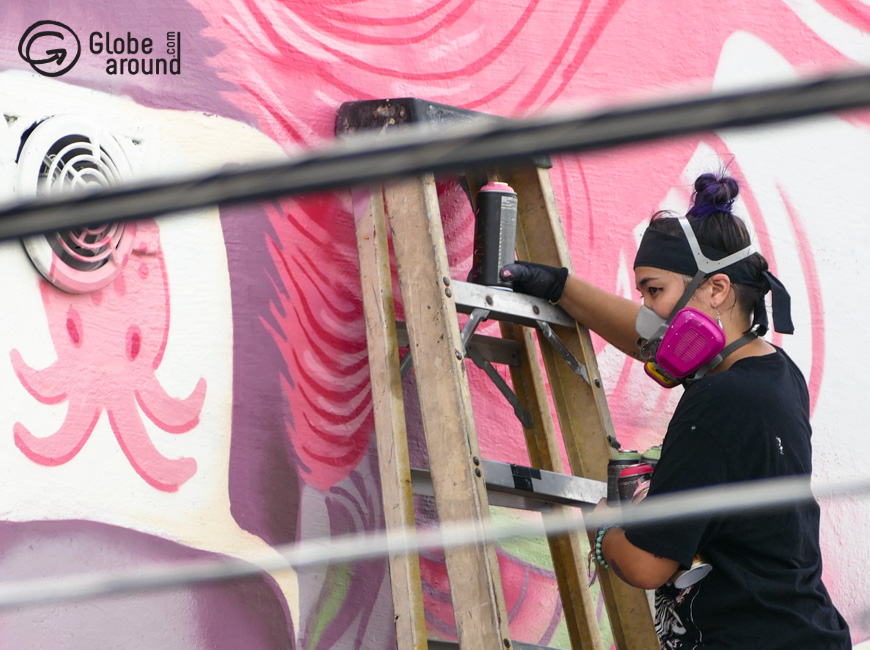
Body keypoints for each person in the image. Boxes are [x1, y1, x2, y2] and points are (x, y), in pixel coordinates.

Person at [500, 172, 851, 649]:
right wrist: (560, 287)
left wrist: (603, 525)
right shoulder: (774, 374)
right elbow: (647, 338)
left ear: (717, 289)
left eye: (654, 291)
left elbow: (646, 565)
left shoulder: (718, 401)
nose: (647, 311)